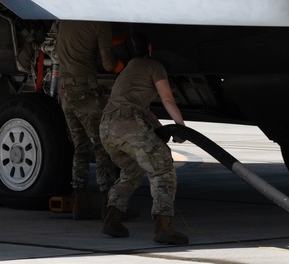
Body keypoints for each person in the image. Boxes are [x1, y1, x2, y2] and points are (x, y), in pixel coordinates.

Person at [100, 31, 189, 245]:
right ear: (149, 49)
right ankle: (163, 227)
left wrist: (158, 127)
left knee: (132, 171)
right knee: (163, 167)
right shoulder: (154, 66)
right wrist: (181, 127)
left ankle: (112, 218)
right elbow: (167, 98)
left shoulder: (127, 72)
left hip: (107, 129)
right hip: (128, 124)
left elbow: (143, 110)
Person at [55, 20, 120, 220]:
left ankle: (80, 204)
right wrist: (126, 67)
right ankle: (110, 207)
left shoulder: (64, 20)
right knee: (102, 145)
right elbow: (108, 64)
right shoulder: (99, 23)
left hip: (64, 90)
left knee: (80, 147)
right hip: (84, 91)